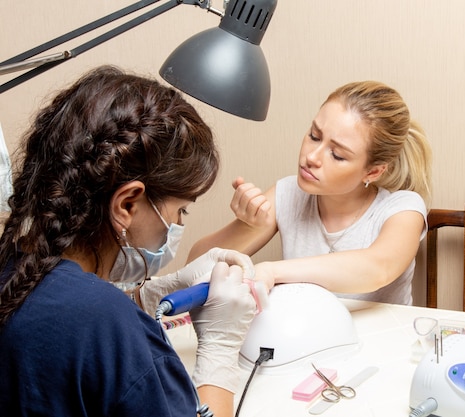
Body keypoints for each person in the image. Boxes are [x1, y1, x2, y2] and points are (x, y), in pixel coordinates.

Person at [0, 66, 257, 417]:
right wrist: (219, 353)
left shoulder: (14, 268)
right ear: (127, 204)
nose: (178, 224)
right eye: (181, 211)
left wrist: (143, 296)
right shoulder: (114, 332)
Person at [189, 81, 432, 305]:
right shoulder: (289, 193)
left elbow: (378, 268)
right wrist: (246, 227)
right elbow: (194, 268)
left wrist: (274, 271)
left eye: (337, 155)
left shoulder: (403, 208)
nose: (311, 157)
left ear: (373, 172)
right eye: (314, 136)